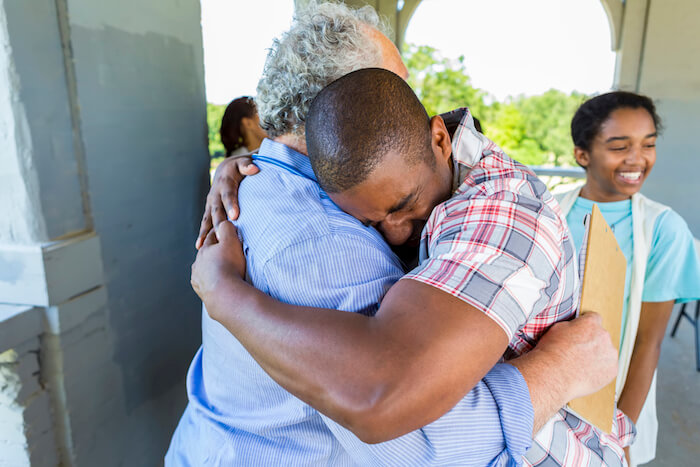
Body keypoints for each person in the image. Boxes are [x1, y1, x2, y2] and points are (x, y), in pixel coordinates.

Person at [171, 2, 617, 466]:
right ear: (342, 112)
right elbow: (423, 447)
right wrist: (559, 370)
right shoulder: (318, 236)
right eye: (395, 87)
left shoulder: (273, 182)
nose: (406, 106)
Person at [555, 91, 700, 466]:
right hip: (548, 382)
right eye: (620, 146)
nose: (637, 158)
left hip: (613, 395)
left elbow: (647, 343)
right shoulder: (550, 210)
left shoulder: (663, 230)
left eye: (648, 144)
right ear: (582, 155)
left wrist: (619, 434)